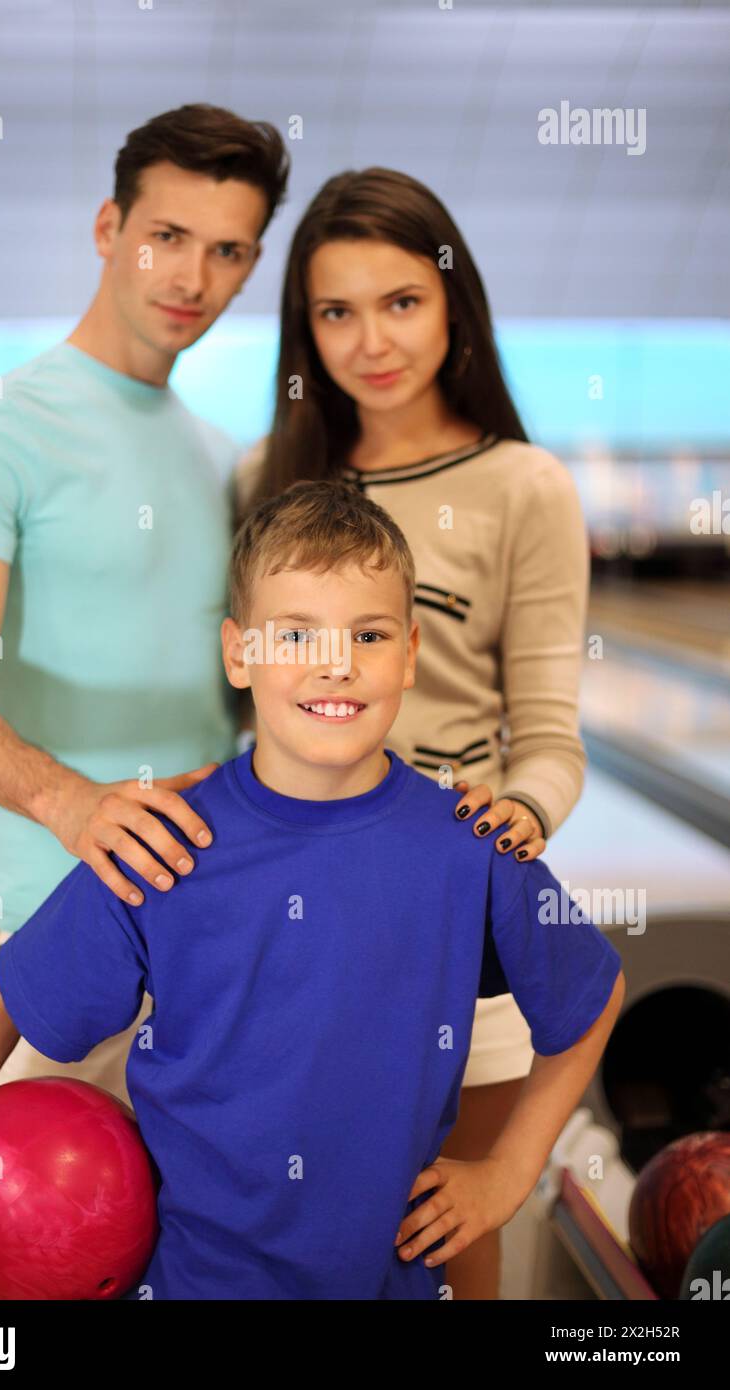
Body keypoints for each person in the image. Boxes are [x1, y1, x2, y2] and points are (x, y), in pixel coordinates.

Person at [0, 478, 625, 1301]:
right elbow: (8, 994)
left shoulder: (468, 843)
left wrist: (507, 1174)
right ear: (239, 654)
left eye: (369, 634)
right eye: (296, 634)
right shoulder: (170, 840)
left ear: (411, 653)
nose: (336, 662)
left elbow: (591, 996)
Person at [231, 167, 592, 1298]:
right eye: (334, 311)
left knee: (446, 1225)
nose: (369, 339)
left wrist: (519, 815)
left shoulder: (523, 487)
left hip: (456, 912)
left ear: (452, 307)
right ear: (304, 329)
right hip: (286, 909)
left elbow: (546, 732)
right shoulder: (266, 476)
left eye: (401, 300)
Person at [0, 105, 289, 1099]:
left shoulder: (215, 457)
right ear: (108, 228)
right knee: (54, 1246)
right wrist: (72, 805)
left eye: (226, 250)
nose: (191, 278)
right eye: (166, 236)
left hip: (209, 919)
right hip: (54, 913)